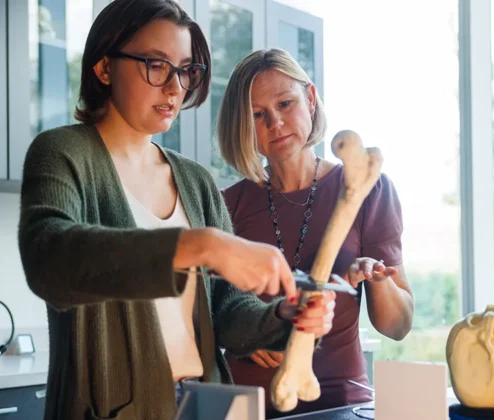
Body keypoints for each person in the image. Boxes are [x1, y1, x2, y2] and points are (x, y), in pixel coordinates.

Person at [17, 1, 337, 418]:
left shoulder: (196, 181)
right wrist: (199, 246)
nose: (174, 87)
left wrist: (283, 317)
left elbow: (227, 310)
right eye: (156, 65)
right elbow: (50, 259)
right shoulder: (62, 153)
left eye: (185, 70)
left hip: (206, 408)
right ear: (104, 68)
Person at [216, 48, 414, 418]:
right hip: (247, 406)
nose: (275, 122)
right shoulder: (226, 206)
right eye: (258, 115)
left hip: (340, 405)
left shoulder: (368, 189)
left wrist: (377, 278)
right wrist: (241, 336)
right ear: (242, 126)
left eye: (285, 103)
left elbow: (397, 326)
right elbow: (207, 319)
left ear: (310, 98)